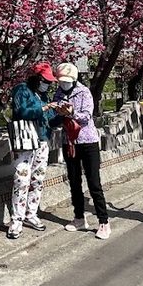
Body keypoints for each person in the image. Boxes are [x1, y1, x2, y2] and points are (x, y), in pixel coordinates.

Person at [53, 62, 111, 240]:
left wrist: (71, 113)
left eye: (66, 81)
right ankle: (79, 217)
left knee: (94, 182)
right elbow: (56, 117)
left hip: (87, 140)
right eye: (61, 81)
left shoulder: (84, 92)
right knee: (74, 180)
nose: (63, 84)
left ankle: (104, 221)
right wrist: (58, 113)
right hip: (69, 141)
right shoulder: (59, 93)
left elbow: (86, 116)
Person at [7, 62, 59, 239]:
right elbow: (21, 111)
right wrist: (43, 108)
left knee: (38, 179)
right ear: (36, 78)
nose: (48, 84)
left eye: (50, 82)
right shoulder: (21, 90)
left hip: (42, 141)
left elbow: (50, 120)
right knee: (21, 180)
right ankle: (16, 220)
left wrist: (61, 113)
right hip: (25, 142)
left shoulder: (44, 95)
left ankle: (31, 213)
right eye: (45, 80)